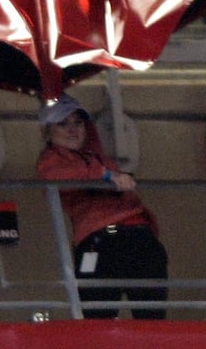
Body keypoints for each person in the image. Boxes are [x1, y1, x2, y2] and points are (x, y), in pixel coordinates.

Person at [36, 94, 169, 319]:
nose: (73, 130)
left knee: (150, 317)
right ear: (47, 131)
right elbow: (57, 177)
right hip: (100, 242)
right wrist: (105, 176)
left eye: (78, 122)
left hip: (138, 237)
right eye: (62, 123)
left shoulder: (98, 158)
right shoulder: (52, 161)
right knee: (98, 316)